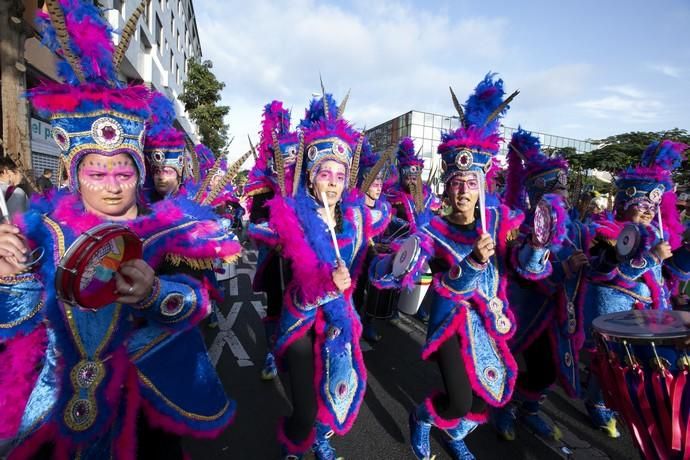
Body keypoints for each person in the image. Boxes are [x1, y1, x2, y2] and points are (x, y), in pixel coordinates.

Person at [0, 2, 241, 458]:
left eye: (122, 173)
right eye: (97, 172)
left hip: (141, 401)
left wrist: (155, 293)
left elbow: (200, 304)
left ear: (139, 172)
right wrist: (8, 277)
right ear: (73, 172)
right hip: (54, 406)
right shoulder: (39, 232)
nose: (111, 187)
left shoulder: (167, 231)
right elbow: (17, 323)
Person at [372, 74, 552, 460]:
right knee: (459, 398)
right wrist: (397, 260)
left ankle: (455, 436)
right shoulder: (433, 228)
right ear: (447, 186)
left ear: (482, 185)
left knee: (491, 397)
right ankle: (424, 418)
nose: (464, 190)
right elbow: (391, 273)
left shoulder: (499, 222)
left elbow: (528, 268)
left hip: (488, 322)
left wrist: (537, 246)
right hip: (451, 321)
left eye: (472, 182)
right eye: (456, 182)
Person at [248, 91, 390, 460]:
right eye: (324, 173)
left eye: (339, 175)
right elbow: (259, 230)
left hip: (340, 320)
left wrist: (397, 265)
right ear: (311, 178)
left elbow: (376, 255)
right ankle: (293, 444)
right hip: (301, 318)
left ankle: (320, 440)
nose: (332, 182)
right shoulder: (293, 215)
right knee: (305, 408)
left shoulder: (357, 218)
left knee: (334, 393)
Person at [492, 128, 593, 441]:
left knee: (549, 370)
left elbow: (597, 268)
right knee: (522, 362)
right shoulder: (522, 229)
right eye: (554, 196)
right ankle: (504, 408)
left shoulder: (579, 230)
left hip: (563, 315)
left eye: (563, 195)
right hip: (529, 311)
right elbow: (526, 272)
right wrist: (562, 268)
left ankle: (529, 409)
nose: (561, 200)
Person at [582, 140, 687, 437]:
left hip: (651, 308)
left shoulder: (655, 233)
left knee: (644, 366)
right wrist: (652, 256)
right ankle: (599, 404)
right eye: (641, 210)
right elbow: (606, 270)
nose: (647, 216)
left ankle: (626, 405)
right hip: (615, 309)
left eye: (651, 210)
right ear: (624, 206)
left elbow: (669, 272)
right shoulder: (603, 231)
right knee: (613, 360)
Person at [245, 100, 299, 380]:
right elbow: (254, 223)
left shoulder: (304, 182)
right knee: (276, 304)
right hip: (273, 256)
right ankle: (271, 352)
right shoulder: (262, 183)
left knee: (300, 304)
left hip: (301, 257)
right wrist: (276, 239)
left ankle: (293, 348)